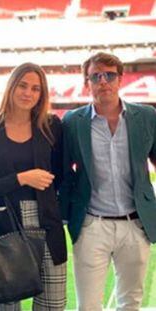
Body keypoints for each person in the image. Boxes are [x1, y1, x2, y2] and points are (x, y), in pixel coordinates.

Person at [60, 52, 156, 310]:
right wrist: (66, 215)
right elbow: (65, 172)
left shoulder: (146, 117)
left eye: (109, 75)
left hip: (135, 224)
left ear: (120, 79)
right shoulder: (72, 122)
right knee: (88, 305)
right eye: (95, 76)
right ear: (87, 83)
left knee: (130, 302)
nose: (103, 81)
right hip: (92, 224)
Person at [0, 63, 67, 310]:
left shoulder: (51, 126)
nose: (28, 93)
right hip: (7, 223)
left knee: (53, 304)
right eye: (23, 85)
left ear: (42, 94)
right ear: (11, 86)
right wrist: (21, 178)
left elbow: (63, 176)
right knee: (8, 304)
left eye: (36, 89)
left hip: (47, 220)